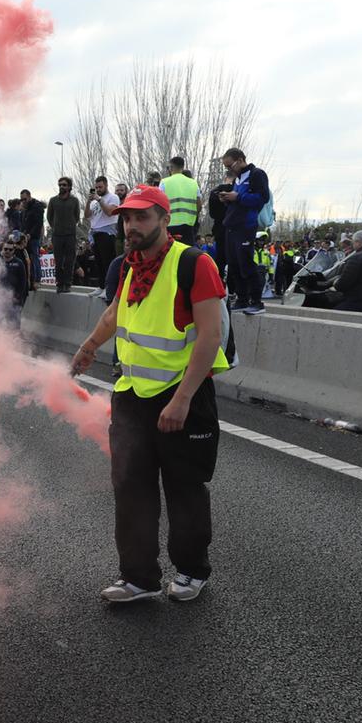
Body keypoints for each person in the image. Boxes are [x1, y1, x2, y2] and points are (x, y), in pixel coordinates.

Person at [69, 184, 229, 604]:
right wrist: (89, 347)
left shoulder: (194, 264)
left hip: (182, 396)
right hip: (132, 395)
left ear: (164, 219)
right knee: (130, 487)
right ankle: (139, 578)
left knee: (185, 489)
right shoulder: (128, 264)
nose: (131, 225)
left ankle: (191, 571)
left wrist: (182, 399)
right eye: (126, 218)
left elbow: (210, 336)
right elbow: (115, 312)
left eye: (141, 216)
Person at [216, 147, 269, 315]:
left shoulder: (256, 174)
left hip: (246, 226)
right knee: (233, 264)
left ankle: (257, 302)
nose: (228, 170)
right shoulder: (237, 179)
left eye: (229, 166)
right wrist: (227, 199)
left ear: (240, 160)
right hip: (231, 225)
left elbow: (262, 198)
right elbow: (238, 200)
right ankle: (242, 299)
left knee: (246, 263)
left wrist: (238, 197)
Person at [301, 230, 362, 312]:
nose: (353, 245)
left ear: (358, 242)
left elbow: (343, 284)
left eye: (353, 242)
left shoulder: (356, 258)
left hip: (360, 300)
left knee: (332, 315)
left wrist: (335, 283)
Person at [46, 177, 83, 292]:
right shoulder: (53, 200)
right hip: (57, 235)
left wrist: (69, 225)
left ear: (69, 187)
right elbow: (49, 217)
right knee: (58, 261)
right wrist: (56, 226)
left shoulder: (74, 201)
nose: (61, 187)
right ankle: (59, 283)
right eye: (60, 185)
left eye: (64, 185)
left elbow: (76, 216)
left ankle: (67, 284)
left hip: (70, 235)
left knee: (69, 261)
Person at [84, 176, 120, 289]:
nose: (98, 189)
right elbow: (87, 215)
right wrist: (88, 201)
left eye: (100, 187)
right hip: (95, 233)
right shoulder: (94, 202)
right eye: (96, 187)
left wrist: (99, 200)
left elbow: (110, 212)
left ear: (106, 185)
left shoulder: (113, 197)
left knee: (107, 262)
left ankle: (109, 288)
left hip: (107, 233)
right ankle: (101, 287)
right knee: (98, 263)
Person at [160, 156, 201, 244]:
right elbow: (199, 206)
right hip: (189, 226)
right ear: (182, 167)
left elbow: (159, 204)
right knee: (187, 251)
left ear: (171, 167)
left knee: (170, 250)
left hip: (170, 225)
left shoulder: (164, 182)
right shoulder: (193, 183)